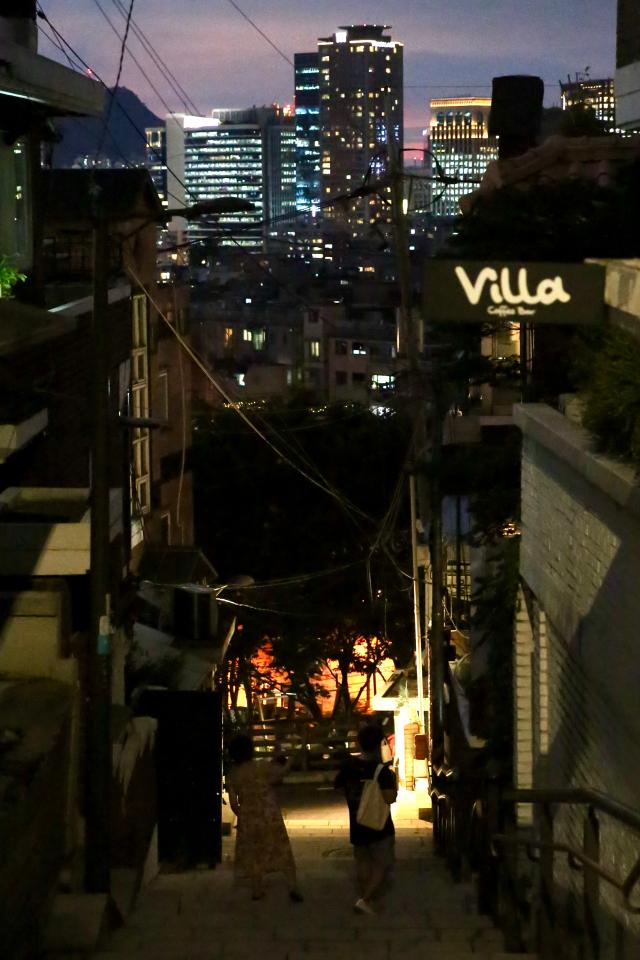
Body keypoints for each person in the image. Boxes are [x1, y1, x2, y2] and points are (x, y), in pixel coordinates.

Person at [225, 733, 303, 903]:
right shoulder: (261, 767)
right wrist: (290, 759)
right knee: (282, 849)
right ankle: (292, 885)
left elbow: (233, 802)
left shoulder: (233, 775)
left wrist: (243, 814)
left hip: (249, 818)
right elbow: (281, 773)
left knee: (254, 853)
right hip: (270, 813)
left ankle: (257, 889)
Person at [334, 723, 398, 915]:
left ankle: (365, 894)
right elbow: (390, 798)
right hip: (380, 824)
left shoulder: (348, 766)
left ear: (359, 743)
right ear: (379, 744)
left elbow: (338, 787)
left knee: (361, 859)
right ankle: (365, 899)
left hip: (357, 821)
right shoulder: (383, 772)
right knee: (382, 863)